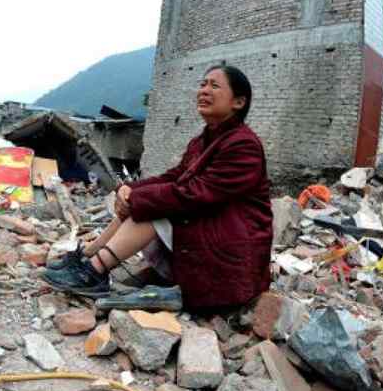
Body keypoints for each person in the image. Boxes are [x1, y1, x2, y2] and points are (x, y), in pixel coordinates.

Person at [42, 64, 273, 312]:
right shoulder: (204, 140)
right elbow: (175, 177)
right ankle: (88, 256)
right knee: (144, 199)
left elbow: (196, 194)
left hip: (235, 251)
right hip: (213, 230)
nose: (204, 90)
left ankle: (94, 272)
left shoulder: (243, 146)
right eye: (203, 84)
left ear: (238, 102)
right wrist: (130, 188)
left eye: (214, 86)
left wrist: (138, 198)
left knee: (156, 207)